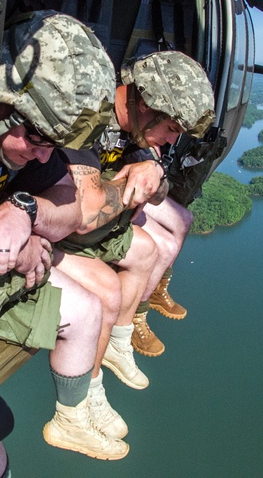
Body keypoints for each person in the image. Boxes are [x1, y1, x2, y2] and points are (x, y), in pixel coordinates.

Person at [0, 11, 127, 477]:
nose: (43, 154)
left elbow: (72, 207)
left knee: (89, 309)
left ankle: (72, 416)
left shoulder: (29, 138)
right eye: (38, 139)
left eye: (55, 143)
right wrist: (13, 241)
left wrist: (25, 210)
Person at [56, 50, 215, 385]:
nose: (173, 139)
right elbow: (84, 214)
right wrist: (135, 181)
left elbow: (159, 189)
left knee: (165, 235)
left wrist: (153, 169)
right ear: (145, 102)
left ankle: (127, 327)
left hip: (84, 216)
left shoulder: (136, 127)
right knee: (138, 255)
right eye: (172, 127)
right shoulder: (87, 118)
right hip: (52, 222)